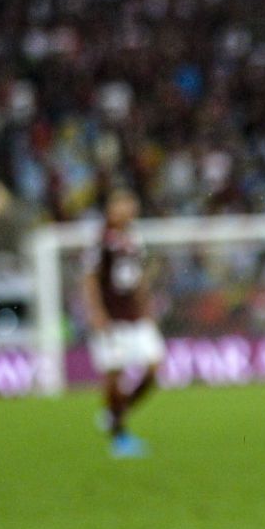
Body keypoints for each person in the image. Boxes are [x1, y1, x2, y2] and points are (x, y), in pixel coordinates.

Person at [80, 188, 165, 457]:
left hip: (135, 316)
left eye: (130, 202)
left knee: (153, 368)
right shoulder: (100, 241)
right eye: (121, 203)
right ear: (110, 209)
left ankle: (114, 413)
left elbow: (138, 278)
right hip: (112, 318)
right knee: (114, 373)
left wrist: (147, 305)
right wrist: (96, 312)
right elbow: (90, 278)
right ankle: (120, 438)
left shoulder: (135, 238)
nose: (127, 208)